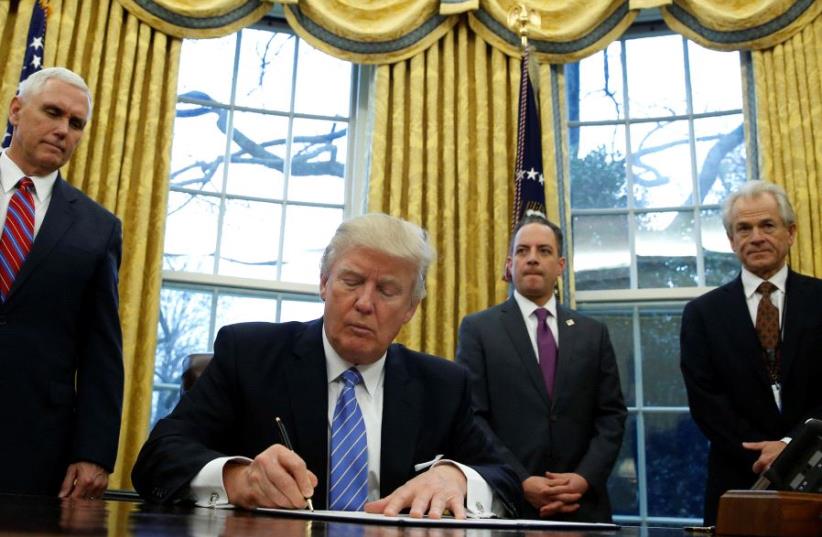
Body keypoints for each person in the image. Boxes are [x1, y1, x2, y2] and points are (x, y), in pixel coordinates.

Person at [132, 213, 520, 518]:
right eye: (351, 281)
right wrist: (238, 478)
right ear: (323, 283)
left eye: (387, 290)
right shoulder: (248, 354)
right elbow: (158, 458)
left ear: (411, 309)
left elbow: (509, 479)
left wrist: (458, 478)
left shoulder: (442, 385)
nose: (365, 303)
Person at [0, 67, 124, 498]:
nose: (62, 130)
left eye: (75, 124)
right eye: (52, 113)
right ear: (16, 110)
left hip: (31, 446)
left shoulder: (98, 228)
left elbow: (101, 350)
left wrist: (94, 452)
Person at [456, 212, 626, 522]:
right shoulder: (478, 330)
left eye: (544, 251)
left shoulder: (593, 332)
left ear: (560, 265)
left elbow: (611, 415)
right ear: (510, 265)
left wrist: (583, 479)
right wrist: (519, 480)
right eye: (523, 251)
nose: (532, 258)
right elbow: (472, 417)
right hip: (508, 505)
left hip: (583, 507)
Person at [680, 180, 822, 524]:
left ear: (790, 233)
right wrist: (764, 453)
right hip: (738, 479)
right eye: (744, 228)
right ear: (731, 241)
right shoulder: (702, 313)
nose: (756, 236)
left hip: (818, 472)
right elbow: (706, 402)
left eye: (767, 225)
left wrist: (790, 445)